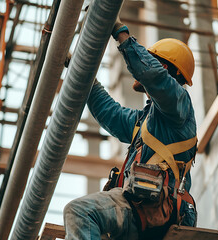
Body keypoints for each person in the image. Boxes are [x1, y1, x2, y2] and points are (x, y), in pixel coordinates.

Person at [63, 19, 197, 240]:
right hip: (142, 205)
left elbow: (152, 75)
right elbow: (110, 113)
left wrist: (121, 34)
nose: (138, 69)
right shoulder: (146, 122)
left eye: (150, 61)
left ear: (163, 68)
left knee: (80, 212)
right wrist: (81, 72)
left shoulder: (179, 104)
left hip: (155, 206)